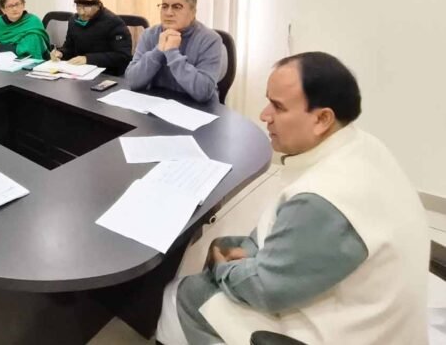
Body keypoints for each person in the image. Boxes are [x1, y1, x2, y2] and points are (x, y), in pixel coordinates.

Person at [156, 52, 429, 345]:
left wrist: (224, 269)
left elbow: (266, 290)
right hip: (377, 311)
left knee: (189, 292)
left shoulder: (323, 200)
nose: (264, 115)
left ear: (322, 119)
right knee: (227, 253)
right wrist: (249, 251)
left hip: (346, 333)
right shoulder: (363, 146)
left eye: (278, 106)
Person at [124, 0, 222, 102]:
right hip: (157, 104)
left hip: (197, 108)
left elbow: (203, 92)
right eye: (164, 6)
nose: (168, 13)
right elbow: (132, 81)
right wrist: (158, 51)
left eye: (177, 7)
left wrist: (172, 53)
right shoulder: (149, 34)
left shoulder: (210, 39)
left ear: (193, 12)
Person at [49, 0, 132, 75]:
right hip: (79, 73)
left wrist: (88, 59)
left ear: (97, 5)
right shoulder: (74, 21)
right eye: (78, 6)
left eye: (86, 7)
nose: (81, 12)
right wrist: (61, 53)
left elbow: (123, 56)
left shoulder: (114, 23)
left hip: (107, 74)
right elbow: (69, 47)